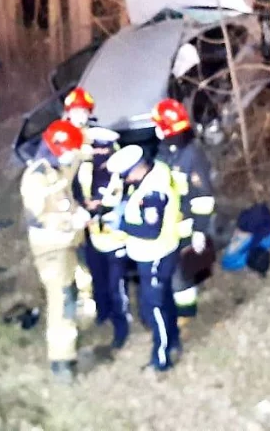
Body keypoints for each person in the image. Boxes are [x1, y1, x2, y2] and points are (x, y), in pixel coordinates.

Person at [19, 119, 91, 384]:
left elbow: (79, 156)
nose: (72, 155)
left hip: (68, 244)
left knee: (77, 292)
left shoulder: (57, 167)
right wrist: (70, 221)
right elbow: (39, 216)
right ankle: (61, 363)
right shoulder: (36, 177)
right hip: (50, 248)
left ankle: (73, 345)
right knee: (62, 301)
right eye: (69, 150)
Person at [106, 144, 183, 373]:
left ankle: (161, 360)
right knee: (165, 301)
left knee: (155, 306)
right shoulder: (155, 171)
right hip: (157, 252)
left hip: (155, 254)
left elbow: (151, 231)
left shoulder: (153, 191)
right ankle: (174, 341)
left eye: (126, 175)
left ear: (138, 168)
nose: (125, 180)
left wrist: (121, 224)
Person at [151, 98, 215, 333]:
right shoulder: (165, 151)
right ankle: (176, 306)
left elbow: (203, 196)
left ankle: (187, 314)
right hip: (167, 226)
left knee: (181, 273)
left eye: (158, 124)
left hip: (185, 226)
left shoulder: (191, 155)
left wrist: (200, 229)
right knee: (170, 271)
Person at [73, 126, 130, 349]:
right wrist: (82, 206)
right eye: (95, 149)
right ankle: (103, 314)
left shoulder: (120, 171)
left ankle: (121, 326)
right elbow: (77, 191)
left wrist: (99, 208)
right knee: (98, 279)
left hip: (116, 239)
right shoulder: (86, 168)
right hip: (94, 236)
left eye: (102, 150)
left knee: (117, 286)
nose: (99, 155)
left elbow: (121, 201)